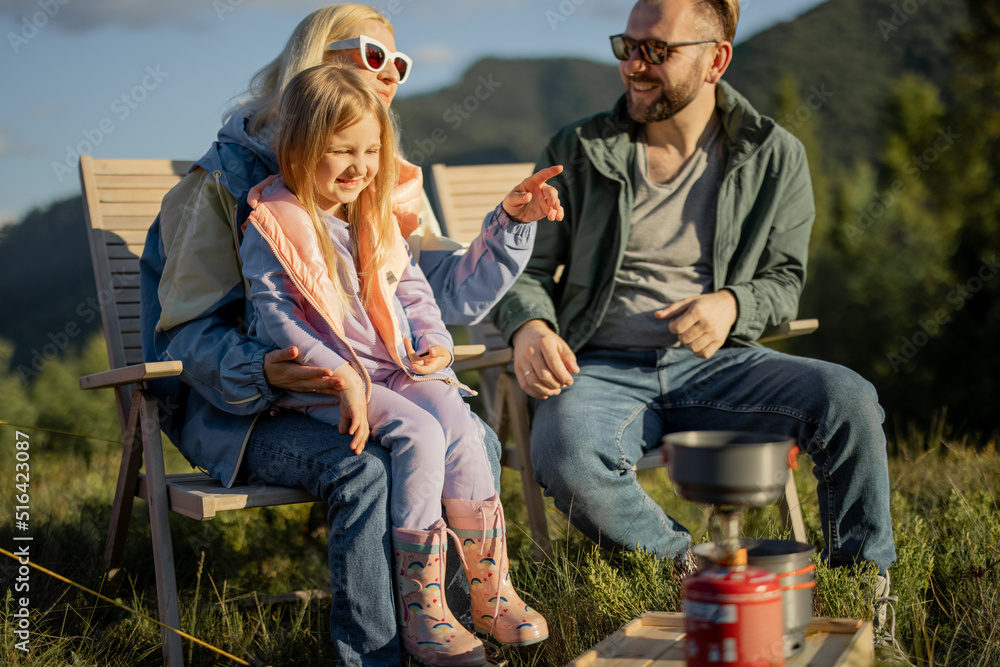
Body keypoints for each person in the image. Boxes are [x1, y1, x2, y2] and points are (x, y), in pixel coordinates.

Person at [139, 5, 541, 665]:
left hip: (364, 379)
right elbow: (183, 338)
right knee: (367, 467)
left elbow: (428, 291)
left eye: (398, 63)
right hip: (239, 405)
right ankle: (378, 652)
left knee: (470, 433)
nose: (388, 74)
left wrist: (507, 229)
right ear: (312, 66)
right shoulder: (227, 187)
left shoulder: (374, 183)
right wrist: (261, 369)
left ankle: (457, 617)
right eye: (369, 55)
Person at [492, 0, 897, 634]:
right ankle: (704, 577)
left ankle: (861, 598)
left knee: (848, 397)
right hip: (601, 368)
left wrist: (732, 303)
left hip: (721, 364)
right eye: (627, 46)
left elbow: (784, 281)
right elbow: (529, 272)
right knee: (566, 452)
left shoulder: (774, 153)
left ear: (716, 59)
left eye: (657, 51)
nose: (634, 66)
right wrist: (530, 327)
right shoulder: (577, 147)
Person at [240, 63, 559, 666]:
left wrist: (435, 342)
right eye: (341, 151)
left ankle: (491, 590)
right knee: (418, 431)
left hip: (394, 366)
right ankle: (425, 608)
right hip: (327, 381)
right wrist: (342, 378)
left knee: (459, 422)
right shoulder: (272, 224)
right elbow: (275, 320)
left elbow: (413, 293)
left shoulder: (374, 214)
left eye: (370, 150)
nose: (360, 167)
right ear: (301, 146)